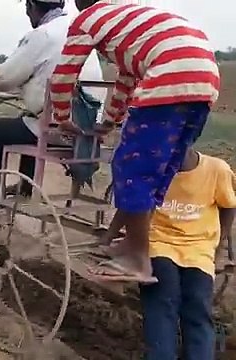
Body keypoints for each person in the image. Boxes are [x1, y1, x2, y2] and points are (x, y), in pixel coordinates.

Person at [49, 0, 221, 282]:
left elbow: (65, 73)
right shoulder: (129, 20)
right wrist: (110, 121)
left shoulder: (87, 19)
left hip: (169, 75)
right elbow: (126, 81)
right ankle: (128, 241)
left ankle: (138, 259)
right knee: (160, 168)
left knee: (130, 168)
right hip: (206, 80)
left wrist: (62, 116)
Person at [0, 0, 107, 204]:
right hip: (88, 128)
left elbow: (3, 77)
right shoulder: (78, 30)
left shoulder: (42, 35)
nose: (28, 15)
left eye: (27, 9)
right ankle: (25, 188)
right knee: (28, 120)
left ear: (31, 7)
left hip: (60, 127)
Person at [135, 147, 236, 360]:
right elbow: (137, 209)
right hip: (160, 243)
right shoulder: (154, 169)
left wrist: (218, 246)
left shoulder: (217, 170)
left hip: (199, 248)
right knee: (162, 300)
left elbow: (228, 206)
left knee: (198, 304)